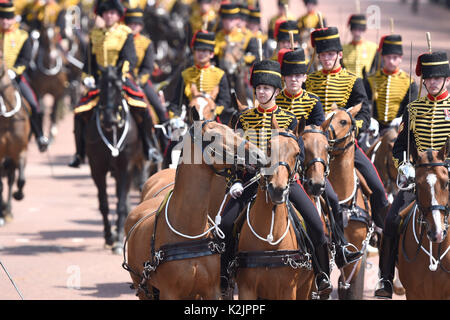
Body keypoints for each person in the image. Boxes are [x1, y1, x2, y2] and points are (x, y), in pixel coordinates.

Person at [220, 59, 333, 300]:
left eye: (266, 88)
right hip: (250, 184)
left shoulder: (290, 120)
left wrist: (286, 173)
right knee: (226, 224)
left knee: (315, 223)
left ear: (276, 91)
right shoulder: (242, 119)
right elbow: (232, 157)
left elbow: (299, 156)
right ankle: (225, 275)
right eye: (258, 88)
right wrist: (235, 181)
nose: (261, 92)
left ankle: (322, 274)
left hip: (285, 183)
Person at [276, 48, 364, 268]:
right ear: (283, 78)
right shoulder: (275, 101)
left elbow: (319, 135)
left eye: (298, 76)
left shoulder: (313, 102)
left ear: (304, 78)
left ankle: (340, 245)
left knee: (332, 198)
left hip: (305, 165)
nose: (294, 80)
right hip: (278, 165)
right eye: (289, 76)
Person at [374, 51, 450, 299]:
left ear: (446, 80)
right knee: (392, 221)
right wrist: (404, 166)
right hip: (418, 179)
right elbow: (400, 147)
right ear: (424, 81)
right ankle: (385, 279)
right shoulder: (414, 109)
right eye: (429, 78)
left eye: (438, 78)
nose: (434, 82)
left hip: (446, 178)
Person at [306, 26, 390, 231]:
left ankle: (383, 231)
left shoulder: (353, 80)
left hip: (344, 142)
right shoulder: (310, 80)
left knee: (377, 186)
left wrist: (354, 128)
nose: (326, 58)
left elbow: (364, 110)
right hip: (315, 145)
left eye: (330, 54)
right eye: (323, 54)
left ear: (340, 55)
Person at [68, 0, 161, 168]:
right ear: (102, 15)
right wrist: (86, 77)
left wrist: (122, 74)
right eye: (106, 13)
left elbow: (130, 57)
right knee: (79, 112)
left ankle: (149, 147)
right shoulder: (94, 34)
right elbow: (89, 62)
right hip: (99, 82)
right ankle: (79, 153)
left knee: (143, 107)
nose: (109, 16)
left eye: (113, 13)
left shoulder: (125, 33)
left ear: (118, 16)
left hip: (120, 79)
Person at [0, 0, 48, 152]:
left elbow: (25, 59)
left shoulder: (22, 35)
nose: (5, 21)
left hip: (15, 77)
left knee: (33, 104)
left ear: (13, 19)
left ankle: (40, 135)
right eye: (2, 18)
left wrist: (14, 71)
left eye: (8, 18)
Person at [170, 30, 232, 124]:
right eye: (198, 50)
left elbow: (225, 101)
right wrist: (175, 117)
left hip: (212, 118)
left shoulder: (219, 74)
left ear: (211, 54)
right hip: (190, 119)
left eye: (204, 51)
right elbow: (176, 102)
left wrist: (213, 110)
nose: (201, 54)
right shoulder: (186, 74)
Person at [365, 34, 418, 132]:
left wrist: (402, 119)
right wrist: (369, 119)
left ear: (401, 58)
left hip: (399, 129)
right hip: (374, 129)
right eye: (388, 57)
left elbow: (412, 107)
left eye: (395, 57)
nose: (391, 61)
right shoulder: (371, 79)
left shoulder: (409, 82)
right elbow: (364, 103)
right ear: (383, 57)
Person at [124, 7, 169, 125]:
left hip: (141, 81)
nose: (133, 26)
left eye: (136, 23)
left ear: (141, 26)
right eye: (130, 23)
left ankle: (165, 139)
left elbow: (148, 67)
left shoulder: (146, 43)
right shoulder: (120, 40)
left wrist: (138, 82)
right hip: (122, 79)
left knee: (159, 109)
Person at [342, 14, 378, 79]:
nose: (357, 32)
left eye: (360, 29)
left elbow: (376, 68)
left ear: (364, 30)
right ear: (351, 30)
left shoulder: (373, 47)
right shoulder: (343, 48)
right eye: (354, 29)